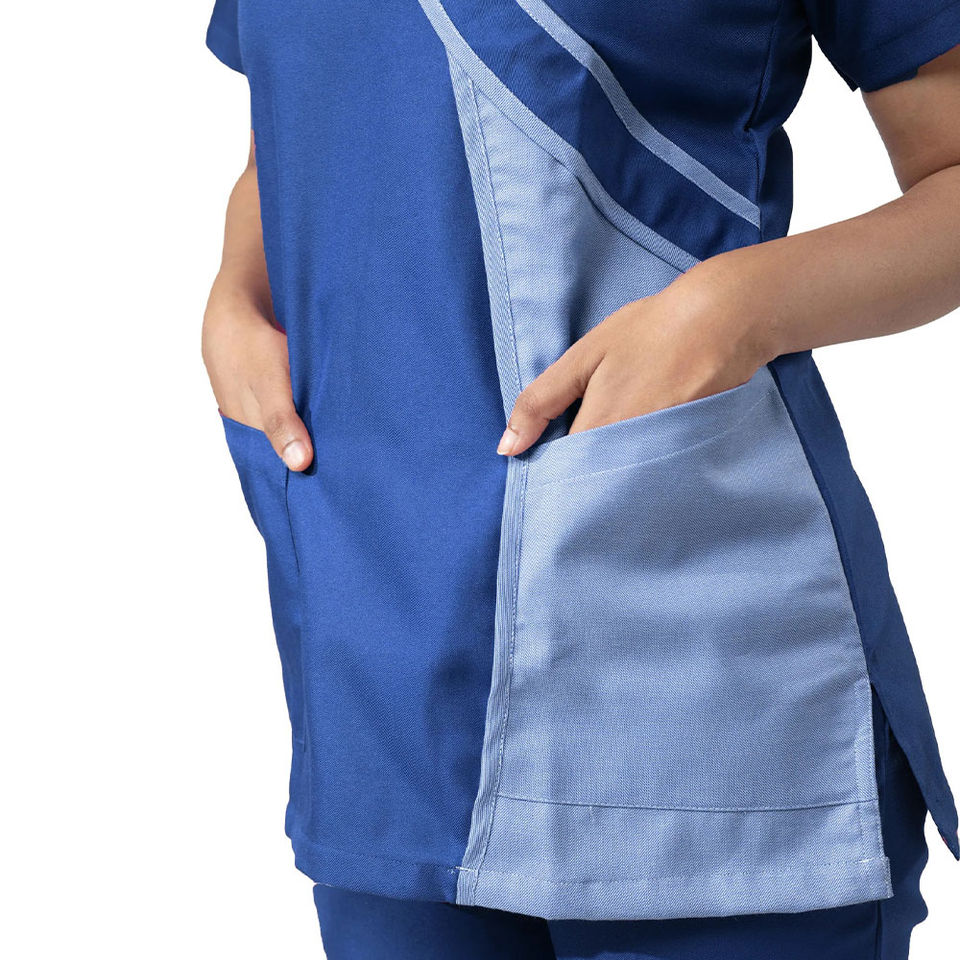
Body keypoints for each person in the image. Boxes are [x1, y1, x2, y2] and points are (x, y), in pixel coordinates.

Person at [203, 2, 960, 957]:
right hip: (380, 677)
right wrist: (237, 295)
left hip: (701, 685)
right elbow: (290, 123)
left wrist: (731, 311)